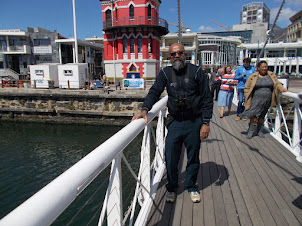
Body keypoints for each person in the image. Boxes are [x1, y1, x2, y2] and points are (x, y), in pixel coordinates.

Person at [132, 43, 213, 203]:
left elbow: (206, 98)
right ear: (169, 58)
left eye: (180, 53)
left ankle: (191, 186)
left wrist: (206, 122)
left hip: (194, 122)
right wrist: (145, 109)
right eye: (173, 54)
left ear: (185, 54)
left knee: (193, 157)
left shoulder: (197, 72)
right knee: (170, 157)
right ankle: (172, 187)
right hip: (175, 122)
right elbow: (155, 90)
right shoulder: (165, 73)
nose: (176, 56)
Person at [240, 61, 287, 139]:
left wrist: (282, 89)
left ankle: (259, 130)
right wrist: (246, 95)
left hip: (267, 100)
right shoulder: (253, 76)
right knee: (253, 115)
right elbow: (247, 87)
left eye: (266, 66)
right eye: (263, 67)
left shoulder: (271, 75)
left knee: (262, 115)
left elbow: (277, 83)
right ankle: (251, 131)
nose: (265, 68)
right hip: (256, 99)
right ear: (258, 68)